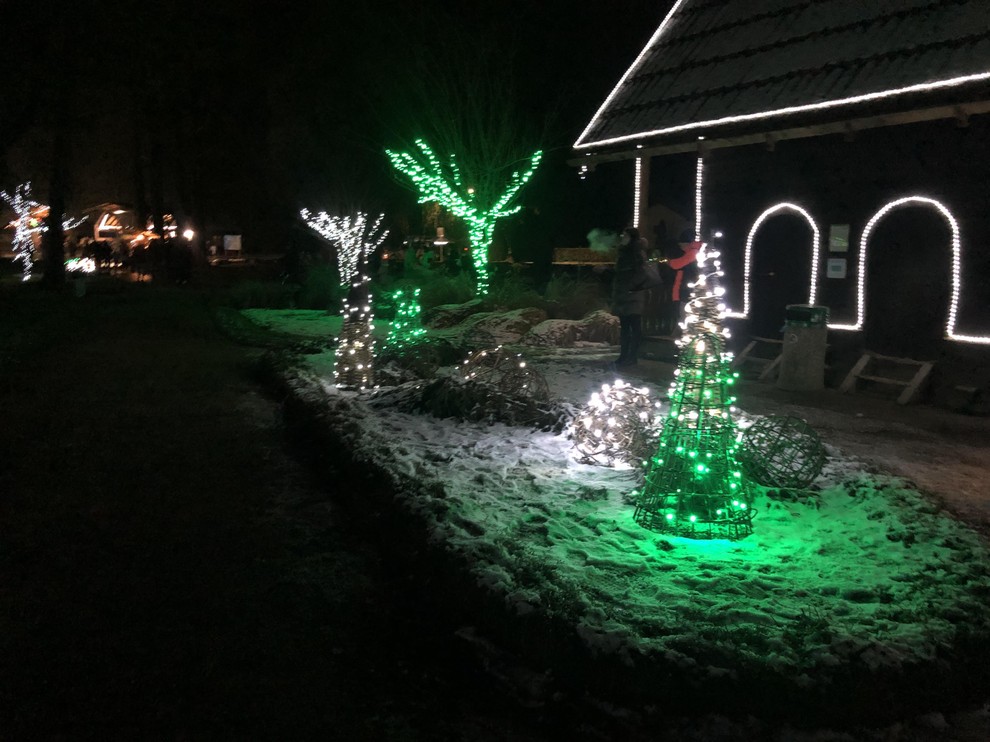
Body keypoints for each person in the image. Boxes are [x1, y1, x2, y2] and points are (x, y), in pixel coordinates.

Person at [610, 227, 656, 367]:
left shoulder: (636, 253)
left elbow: (641, 273)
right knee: (625, 327)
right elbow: (622, 273)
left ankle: (632, 357)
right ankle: (624, 356)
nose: (622, 237)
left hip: (633, 295)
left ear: (631, 238)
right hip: (625, 295)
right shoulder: (624, 252)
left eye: (625, 235)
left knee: (634, 327)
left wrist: (631, 287)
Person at [663, 228, 702, 336]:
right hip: (688, 291)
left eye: (681, 245)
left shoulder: (693, 252)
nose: (681, 248)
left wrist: (668, 262)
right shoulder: (692, 252)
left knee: (685, 316)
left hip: (689, 292)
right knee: (684, 316)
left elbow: (677, 264)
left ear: (687, 243)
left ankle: (680, 339)